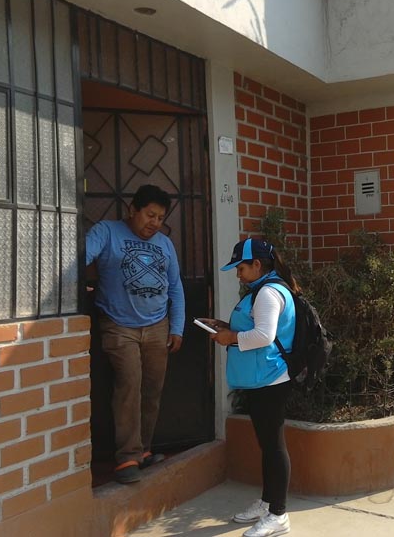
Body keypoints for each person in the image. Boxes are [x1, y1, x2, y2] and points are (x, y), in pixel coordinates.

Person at [85, 184, 184, 484]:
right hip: (119, 325)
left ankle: (143, 449)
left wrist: (177, 327)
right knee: (129, 385)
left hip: (158, 326)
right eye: (150, 215)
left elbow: (176, 287)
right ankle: (127, 456)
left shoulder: (165, 244)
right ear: (133, 210)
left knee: (152, 390)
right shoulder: (107, 231)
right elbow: (79, 257)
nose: (155, 223)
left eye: (160, 218)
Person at [201, 238, 297, 537]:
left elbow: (264, 336)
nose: (238, 274)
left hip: (270, 379)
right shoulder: (262, 289)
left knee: (274, 446)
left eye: (241, 268)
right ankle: (268, 503)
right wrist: (224, 327)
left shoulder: (268, 293)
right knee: (267, 445)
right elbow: (254, 329)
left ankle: (278, 515)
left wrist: (229, 338)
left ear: (257, 265)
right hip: (261, 377)